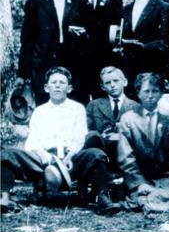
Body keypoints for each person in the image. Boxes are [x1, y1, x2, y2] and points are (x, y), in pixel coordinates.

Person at [1, 68, 116, 214]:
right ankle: (4, 196)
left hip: (71, 160)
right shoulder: (39, 111)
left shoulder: (77, 108)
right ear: (46, 88)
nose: (57, 85)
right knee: (7, 154)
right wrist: (48, 158)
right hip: (43, 161)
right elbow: (33, 141)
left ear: (69, 88)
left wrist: (69, 157)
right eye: (53, 82)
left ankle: (102, 197)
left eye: (62, 83)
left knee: (96, 154)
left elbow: (80, 137)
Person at [15, 0, 90, 102]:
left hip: (72, 68)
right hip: (43, 68)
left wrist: (81, 35)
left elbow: (88, 36)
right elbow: (27, 41)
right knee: (46, 113)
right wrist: (23, 74)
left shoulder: (79, 0)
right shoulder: (36, 1)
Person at [116, 72, 169, 207]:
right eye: (146, 91)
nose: (150, 96)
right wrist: (140, 183)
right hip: (138, 177)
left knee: (165, 200)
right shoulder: (128, 119)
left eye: (155, 91)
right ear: (138, 93)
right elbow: (125, 157)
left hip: (164, 178)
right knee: (142, 200)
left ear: (161, 94)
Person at [77, 0, 124, 98]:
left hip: (104, 59)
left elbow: (117, 27)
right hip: (79, 59)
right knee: (79, 100)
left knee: (103, 101)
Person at [116, 0, 169, 80]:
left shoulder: (163, 7)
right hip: (128, 71)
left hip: (151, 69)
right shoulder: (126, 9)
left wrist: (143, 47)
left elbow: (166, 42)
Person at [86, 66, 140, 144]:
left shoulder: (136, 107)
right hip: (101, 151)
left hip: (127, 151)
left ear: (125, 82)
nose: (112, 85)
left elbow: (140, 136)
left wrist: (121, 136)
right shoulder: (93, 105)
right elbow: (86, 131)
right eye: (108, 82)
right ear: (103, 87)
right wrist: (102, 137)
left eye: (116, 81)